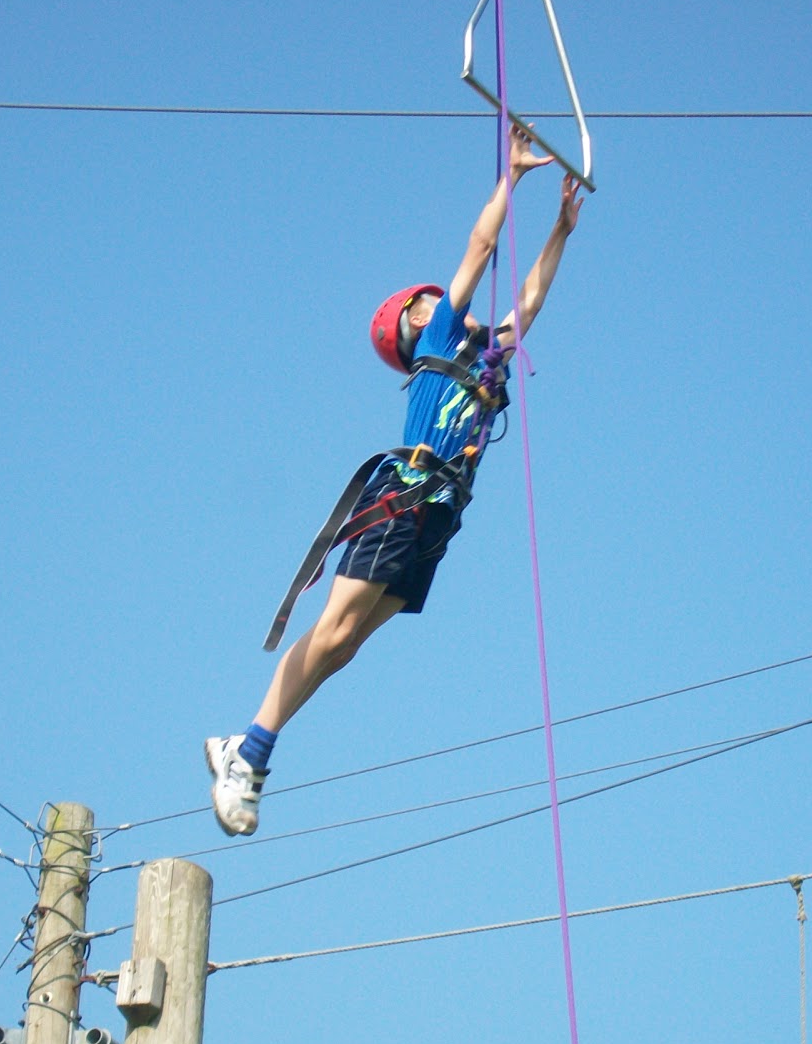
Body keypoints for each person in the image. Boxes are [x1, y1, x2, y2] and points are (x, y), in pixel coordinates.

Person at [205, 125, 583, 836]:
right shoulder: (439, 343)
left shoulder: (484, 360)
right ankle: (248, 748)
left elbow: (527, 303)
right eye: (429, 303)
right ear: (415, 327)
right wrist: (513, 178)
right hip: (402, 497)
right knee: (335, 628)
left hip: (437, 518)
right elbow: (480, 249)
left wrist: (561, 230)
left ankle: (247, 747)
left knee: (344, 645)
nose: (445, 303)